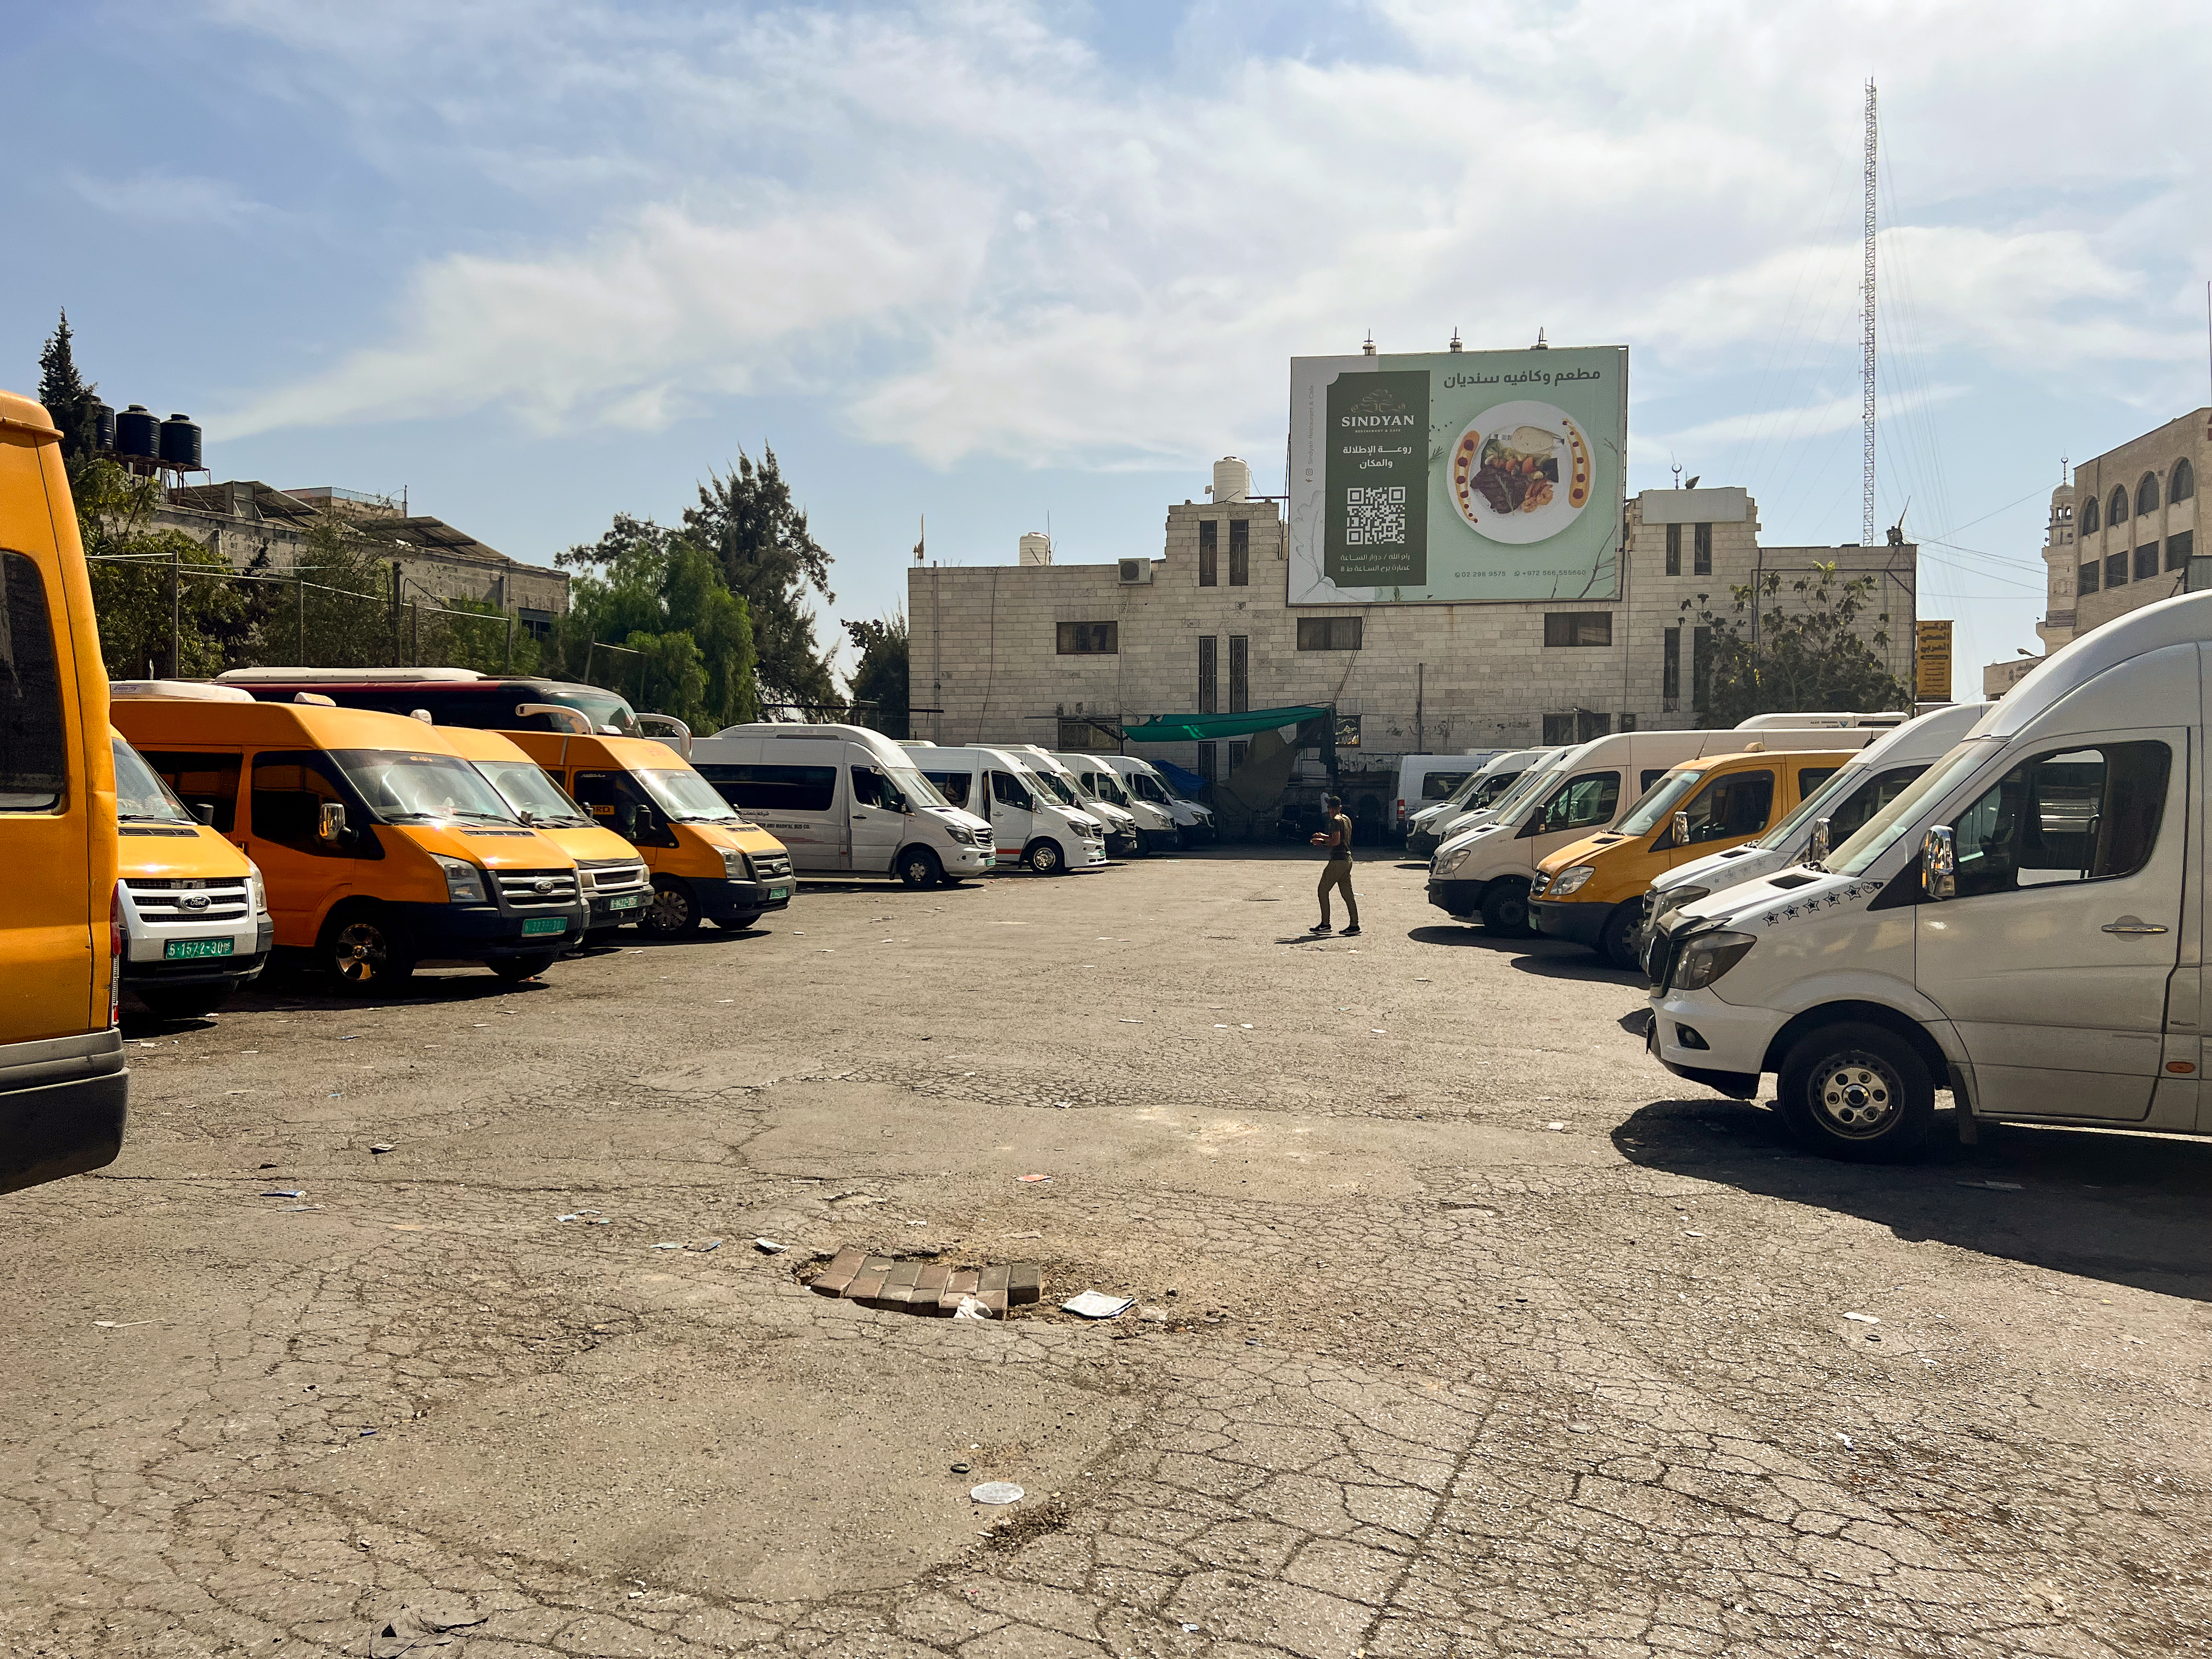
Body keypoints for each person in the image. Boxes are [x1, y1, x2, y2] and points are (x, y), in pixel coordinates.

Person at [1309, 794, 1359, 935]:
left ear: (1338, 808)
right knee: (1348, 894)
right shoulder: (1346, 819)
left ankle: (1325, 924)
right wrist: (1324, 836)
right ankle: (1354, 925)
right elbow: (1340, 838)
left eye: (1332, 808)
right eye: (1330, 808)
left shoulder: (1335, 821)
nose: (1331, 811)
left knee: (1322, 890)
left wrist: (1322, 842)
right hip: (1347, 859)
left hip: (1338, 860)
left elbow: (1336, 841)